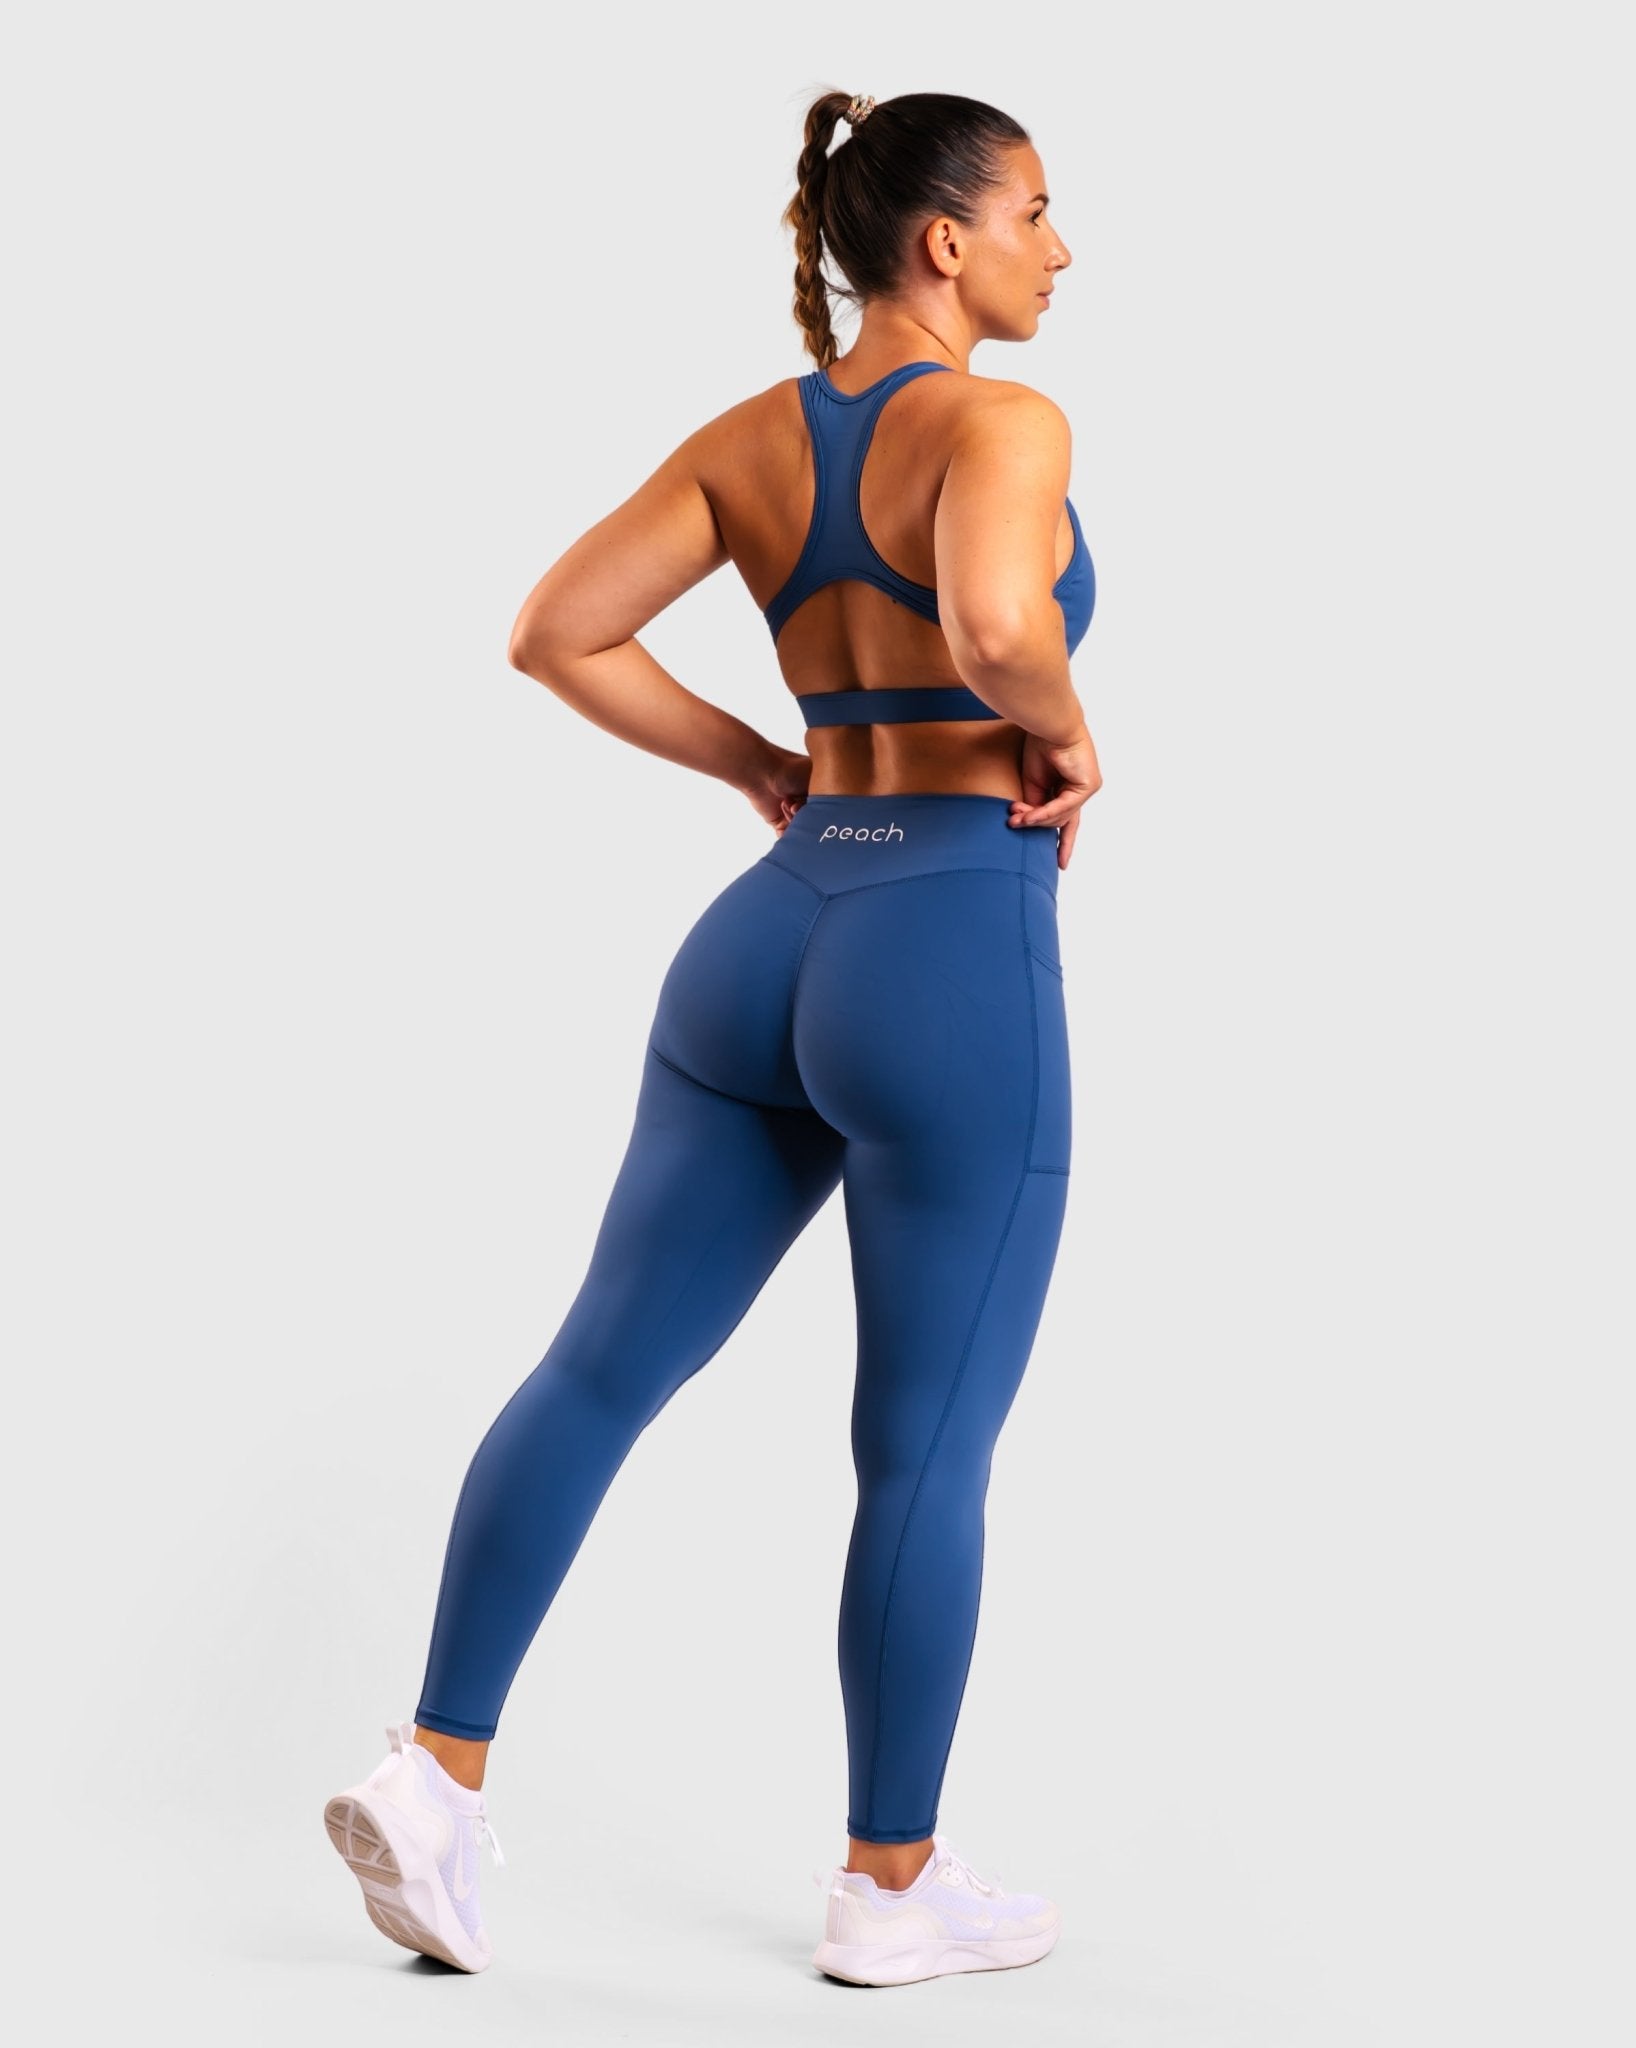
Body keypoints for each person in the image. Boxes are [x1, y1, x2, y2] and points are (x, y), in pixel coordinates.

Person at [324, 84, 1102, 1988]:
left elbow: (556, 630)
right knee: (923, 1446)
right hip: (943, 947)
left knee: (597, 1367)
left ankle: (434, 1776)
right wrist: (1070, 734)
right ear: (946, 241)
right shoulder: (1004, 424)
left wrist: (765, 760)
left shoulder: (750, 441)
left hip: (764, 941)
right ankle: (889, 1888)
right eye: (1034, 213)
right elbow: (997, 623)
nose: (1059, 250)